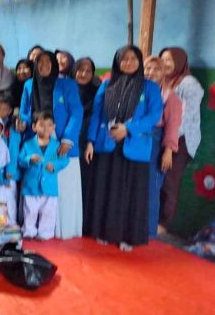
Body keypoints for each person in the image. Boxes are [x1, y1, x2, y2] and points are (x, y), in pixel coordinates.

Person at [84, 46, 163, 251]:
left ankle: (128, 237)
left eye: (133, 59)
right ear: (117, 62)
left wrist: (128, 129)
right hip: (107, 144)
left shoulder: (150, 87)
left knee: (131, 193)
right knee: (107, 190)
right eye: (124, 59)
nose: (128, 63)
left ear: (139, 62)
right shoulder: (107, 84)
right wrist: (90, 141)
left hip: (134, 146)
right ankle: (103, 232)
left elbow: (154, 115)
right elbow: (97, 115)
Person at [20, 51, 83, 240]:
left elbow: (76, 112)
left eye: (48, 62)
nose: (44, 66)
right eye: (40, 62)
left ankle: (59, 228)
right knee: (37, 181)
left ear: (54, 65)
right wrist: (24, 122)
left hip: (60, 143)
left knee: (61, 182)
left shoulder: (67, 85)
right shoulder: (29, 85)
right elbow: (24, 112)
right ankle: (31, 227)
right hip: (37, 141)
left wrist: (67, 139)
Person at [158, 47, 204, 235]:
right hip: (162, 137)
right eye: (162, 59)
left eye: (169, 60)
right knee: (157, 180)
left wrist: (170, 143)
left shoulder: (189, 84)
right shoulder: (161, 82)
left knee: (169, 182)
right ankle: (151, 220)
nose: (165, 64)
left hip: (180, 140)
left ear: (179, 62)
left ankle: (163, 225)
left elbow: (186, 117)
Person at [144, 56, 182, 238]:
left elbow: (173, 126)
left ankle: (149, 233)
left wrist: (168, 151)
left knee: (151, 188)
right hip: (136, 141)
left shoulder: (169, 96)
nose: (151, 73)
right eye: (148, 68)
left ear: (163, 73)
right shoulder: (138, 92)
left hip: (156, 143)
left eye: (156, 69)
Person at [19, 111, 70, 240]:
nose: (46, 128)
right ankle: (29, 231)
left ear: (54, 127)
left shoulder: (57, 145)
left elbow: (64, 160)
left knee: (48, 211)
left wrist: (55, 166)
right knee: (30, 210)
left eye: (49, 125)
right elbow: (20, 160)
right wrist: (29, 159)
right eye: (42, 125)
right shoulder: (28, 144)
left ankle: (45, 233)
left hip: (50, 186)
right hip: (31, 185)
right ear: (34, 127)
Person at [73, 57, 101, 222]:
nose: (83, 74)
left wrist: (90, 141)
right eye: (80, 70)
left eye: (88, 71)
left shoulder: (97, 91)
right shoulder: (66, 89)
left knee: (85, 181)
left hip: (87, 144)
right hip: (67, 144)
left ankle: (84, 221)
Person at [0, 93, 23, 224]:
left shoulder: (13, 128)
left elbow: (13, 151)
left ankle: (9, 225)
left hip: (8, 174)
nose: (1, 112)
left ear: (10, 111)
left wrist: (10, 171)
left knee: (8, 201)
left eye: (5, 109)